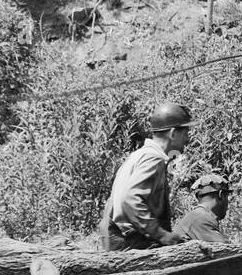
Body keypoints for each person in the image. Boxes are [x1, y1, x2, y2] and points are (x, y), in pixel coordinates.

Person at [98, 101, 193, 250]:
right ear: (173, 133)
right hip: (131, 243)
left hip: (121, 239)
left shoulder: (139, 155)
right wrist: (161, 235)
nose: (187, 139)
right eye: (185, 133)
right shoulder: (154, 159)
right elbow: (130, 199)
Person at [172, 173, 232, 244]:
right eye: (227, 196)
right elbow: (228, 250)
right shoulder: (200, 219)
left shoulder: (197, 216)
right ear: (221, 195)